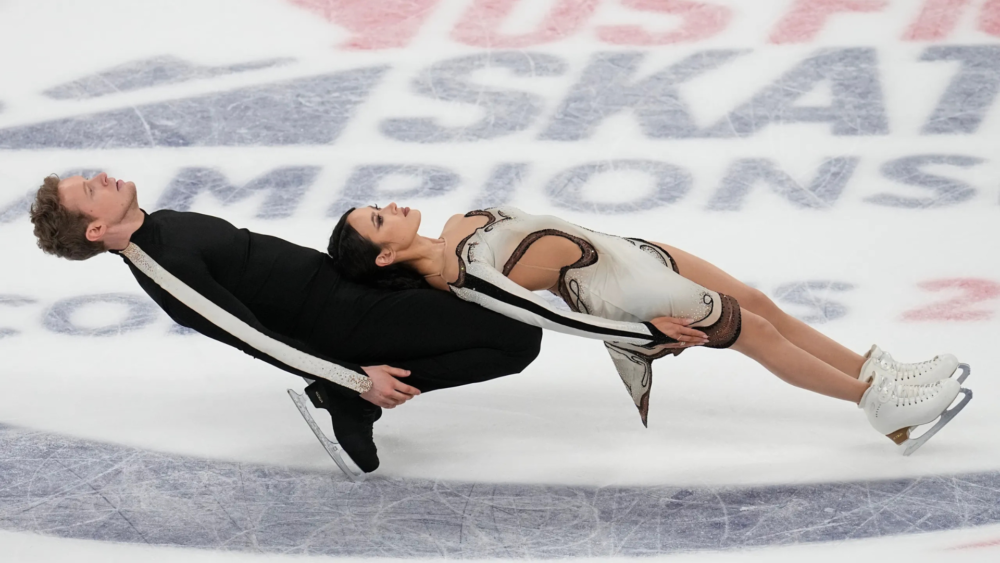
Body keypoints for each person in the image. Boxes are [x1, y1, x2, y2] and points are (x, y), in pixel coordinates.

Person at [328, 202, 972, 455]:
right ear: (386, 257)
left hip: (627, 251)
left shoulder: (454, 230)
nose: (389, 208)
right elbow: (550, 314)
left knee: (757, 300)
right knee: (756, 334)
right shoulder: (469, 275)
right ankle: (877, 405)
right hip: (628, 293)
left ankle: (875, 370)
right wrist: (641, 331)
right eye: (379, 222)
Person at [28, 172, 545, 476]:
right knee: (519, 337)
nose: (100, 176)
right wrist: (355, 377)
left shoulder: (160, 224)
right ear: (97, 228)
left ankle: (345, 395)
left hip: (349, 286)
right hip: (349, 321)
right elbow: (250, 336)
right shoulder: (162, 265)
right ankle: (345, 396)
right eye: (90, 189)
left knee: (497, 306)